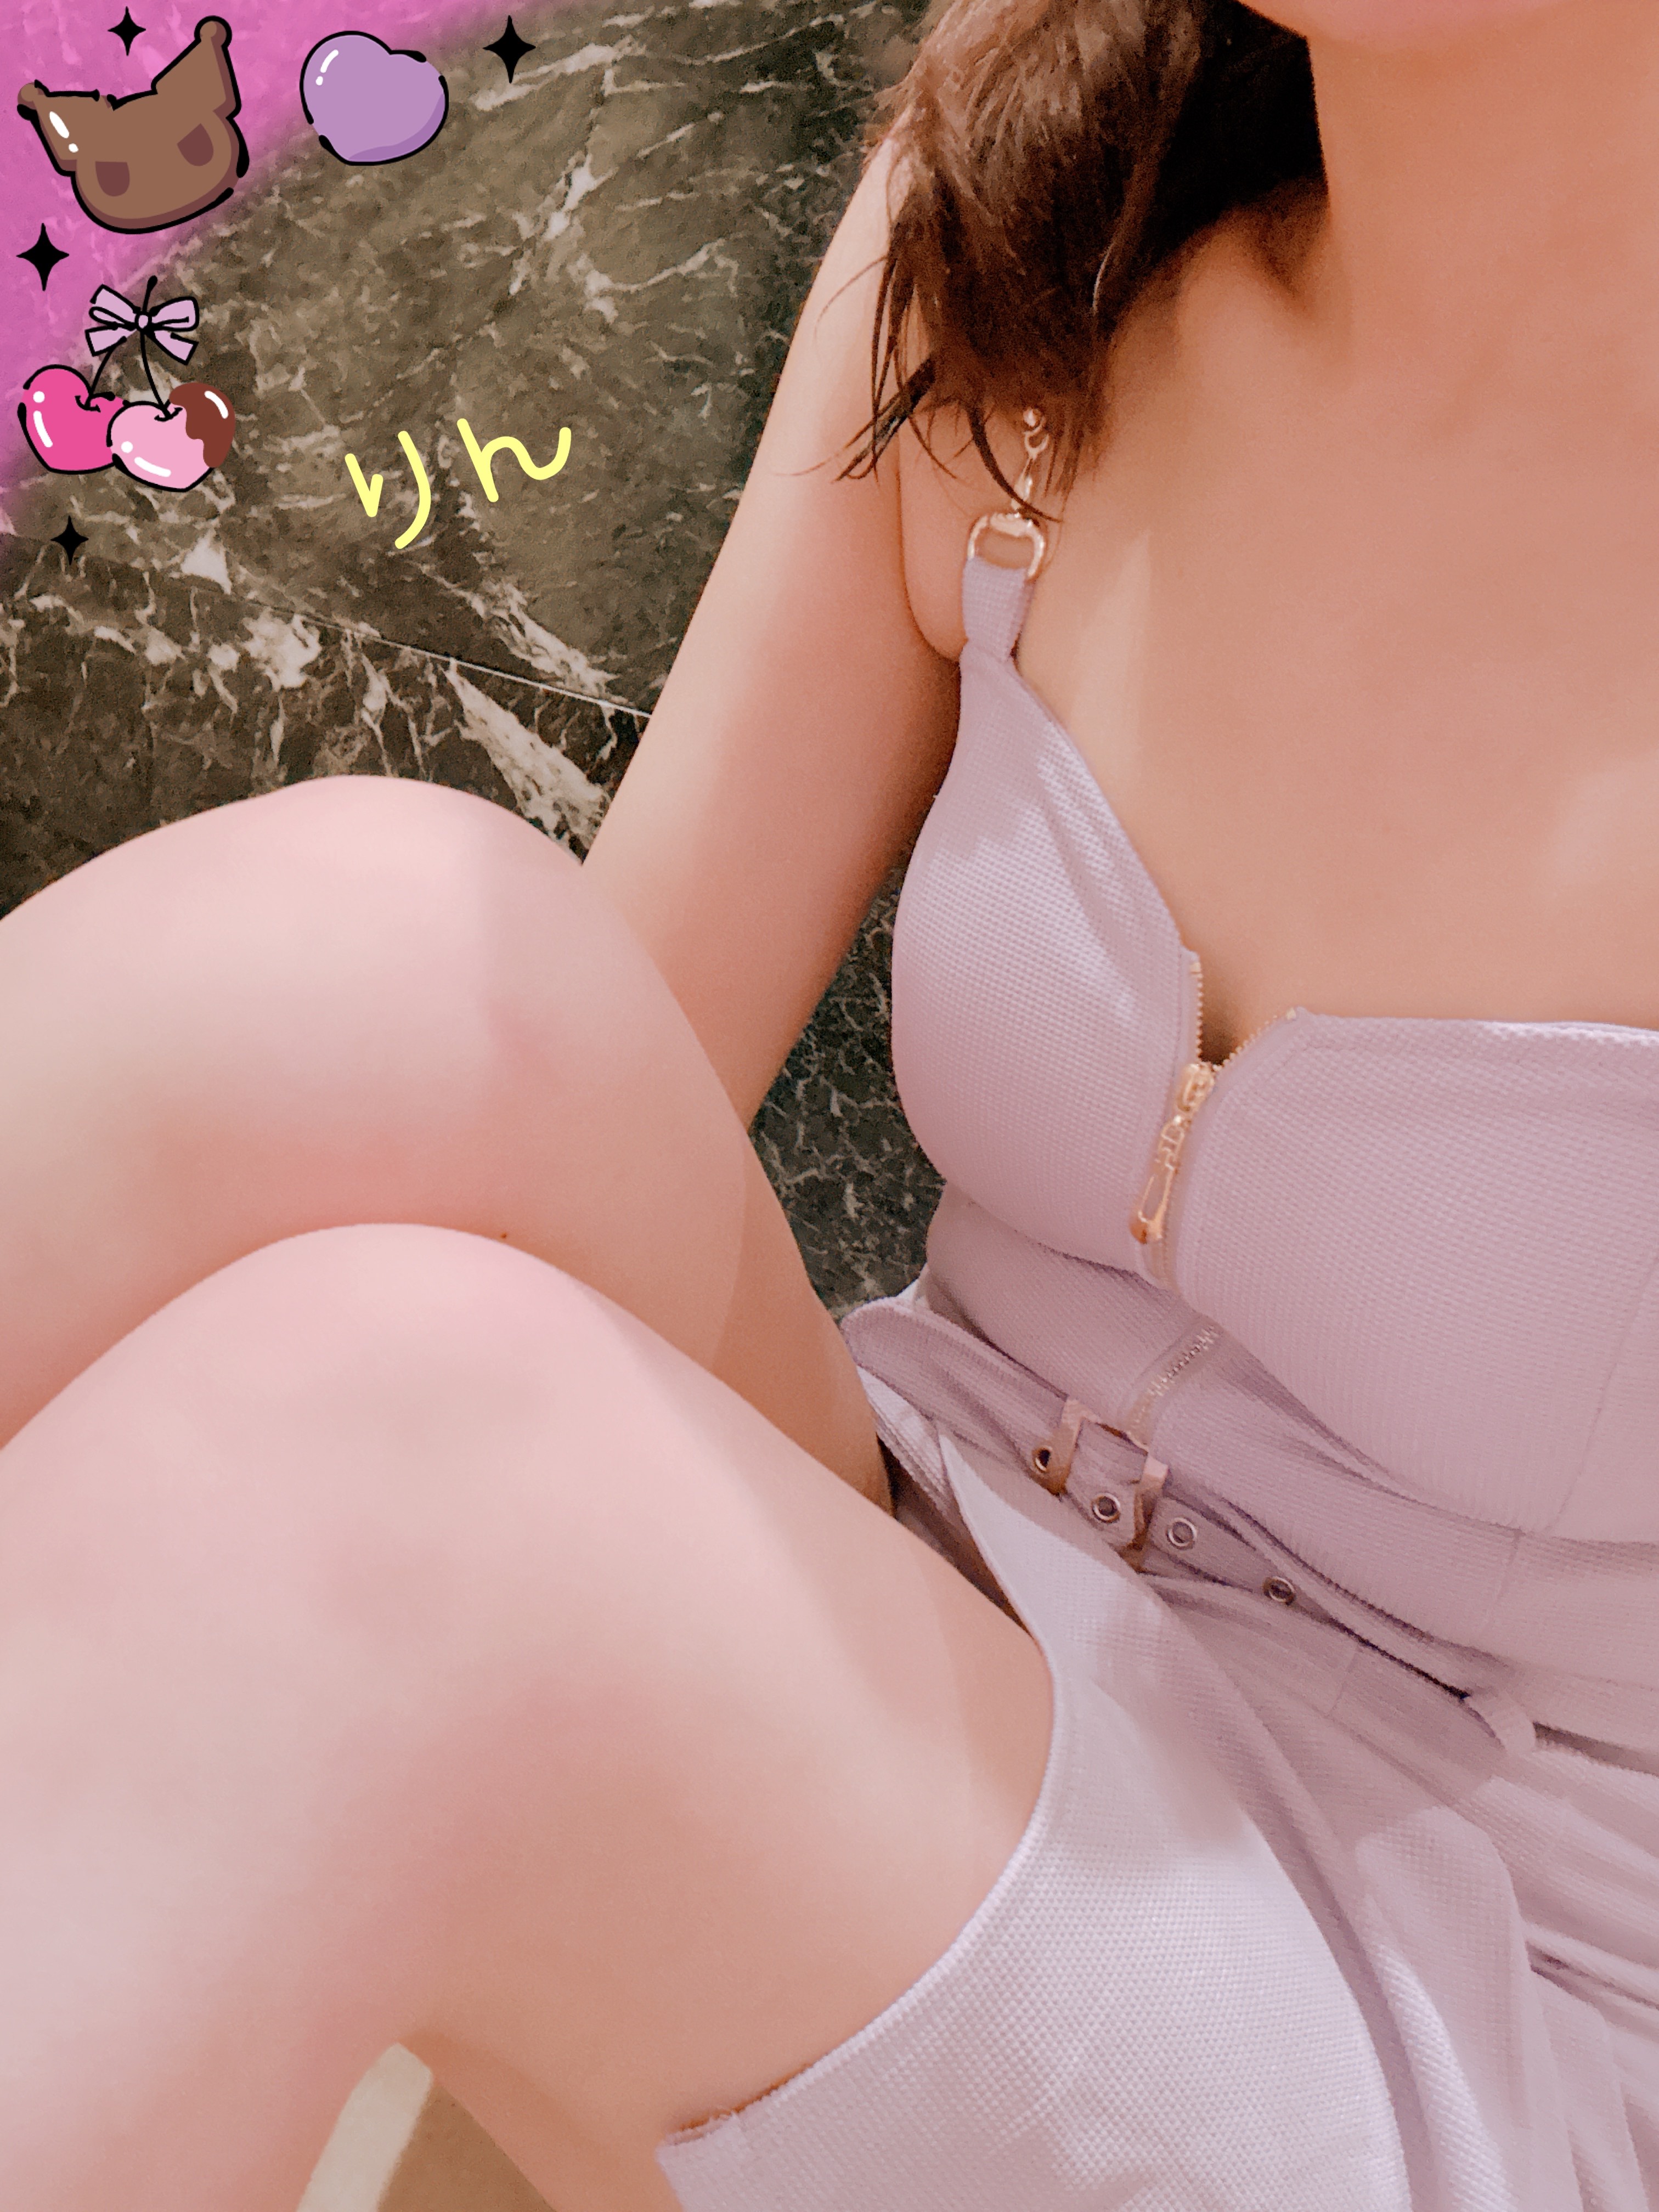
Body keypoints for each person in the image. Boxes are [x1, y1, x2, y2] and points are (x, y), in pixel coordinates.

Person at [0, 0, 1654, 2204]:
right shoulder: (1059, 207)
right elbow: (588, 1085)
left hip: (1474, 2027)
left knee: (391, 1471)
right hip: (937, 1621)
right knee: (391, 964)